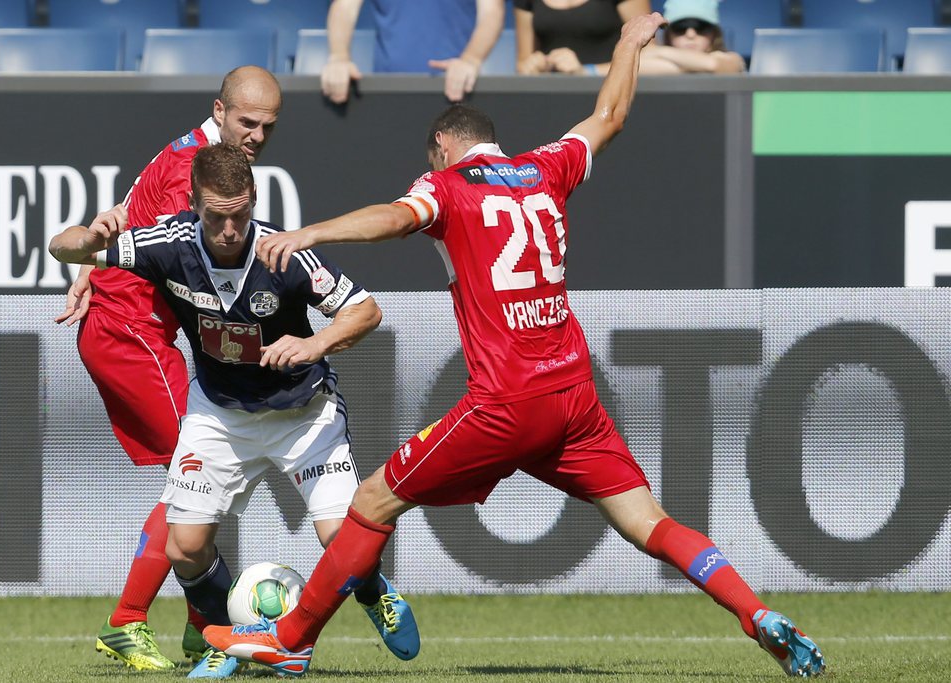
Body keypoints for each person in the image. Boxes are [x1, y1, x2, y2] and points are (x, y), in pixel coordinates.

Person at [202, 12, 826, 680]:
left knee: (373, 501)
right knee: (650, 520)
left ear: (442, 146)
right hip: (574, 398)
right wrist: (626, 47)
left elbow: (394, 218)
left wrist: (313, 232)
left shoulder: (445, 187)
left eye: (430, 157)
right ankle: (754, 611)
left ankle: (291, 639)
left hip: (505, 403)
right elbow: (610, 115)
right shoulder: (546, 169)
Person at [49, 144, 420, 679]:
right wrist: (88, 239)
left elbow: (366, 311)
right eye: (217, 216)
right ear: (194, 205)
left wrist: (315, 345)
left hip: (302, 414)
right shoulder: (166, 243)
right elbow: (65, 249)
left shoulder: (285, 253)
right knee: (186, 547)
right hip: (219, 413)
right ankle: (226, 638)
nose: (229, 229)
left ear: (253, 202)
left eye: (240, 214)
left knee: (341, 538)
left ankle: (374, 592)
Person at [54, 66, 284, 672]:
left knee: (198, 484)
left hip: (139, 331)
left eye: (268, 126)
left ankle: (199, 627)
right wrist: (91, 269)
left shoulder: (192, 150)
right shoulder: (197, 169)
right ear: (221, 110)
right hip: (131, 333)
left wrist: (88, 267)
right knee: (197, 477)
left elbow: (126, 209)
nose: (257, 136)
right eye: (247, 122)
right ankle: (131, 623)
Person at [321, 0, 505, 104]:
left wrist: (470, 60)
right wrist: (339, 58)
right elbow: (345, 6)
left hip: (458, 90)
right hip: (388, 93)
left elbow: (491, 11)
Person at [515, 0, 650, 76]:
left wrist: (587, 71)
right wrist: (533, 65)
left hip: (611, 93)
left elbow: (649, 56)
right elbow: (523, 61)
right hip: (553, 97)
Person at [639, 0, 745, 74]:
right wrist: (705, 66)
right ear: (668, 34)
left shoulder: (730, 58)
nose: (690, 35)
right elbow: (637, 69)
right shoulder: (641, 61)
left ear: (714, 34)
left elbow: (730, 65)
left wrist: (656, 51)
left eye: (700, 27)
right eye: (680, 27)